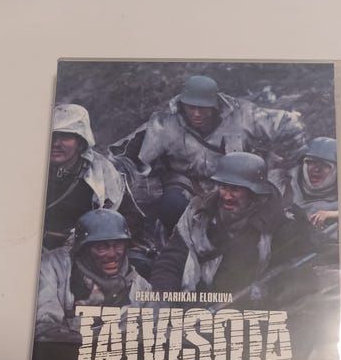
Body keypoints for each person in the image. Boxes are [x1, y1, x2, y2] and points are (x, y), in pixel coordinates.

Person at [109, 75, 306, 239]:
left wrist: (291, 160)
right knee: (171, 206)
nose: (196, 113)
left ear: (215, 104)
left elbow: (288, 124)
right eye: (191, 107)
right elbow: (123, 155)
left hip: (239, 183)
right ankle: (178, 244)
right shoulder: (164, 124)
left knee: (264, 216)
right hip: (190, 185)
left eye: (203, 107)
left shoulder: (243, 115)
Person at [150, 152, 319, 308]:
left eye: (236, 189)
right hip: (199, 301)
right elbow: (172, 259)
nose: (227, 196)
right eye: (223, 187)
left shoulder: (282, 221)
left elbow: (296, 274)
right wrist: (164, 299)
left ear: (254, 191)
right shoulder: (199, 213)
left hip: (252, 308)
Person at [35, 209, 151, 343]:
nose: (112, 254)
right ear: (83, 248)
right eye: (102, 247)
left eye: (118, 245)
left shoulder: (141, 287)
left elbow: (154, 331)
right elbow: (44, 328)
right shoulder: (53, 267)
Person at [43, 103, 143, 250]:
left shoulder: (102, 172)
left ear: (81, 142)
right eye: (52, 136)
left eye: (65, 137)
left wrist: (95, 236)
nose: (56, 144)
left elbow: (131, 218)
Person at [286, 137, 338, 240]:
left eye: (325, 165)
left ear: (336, 169)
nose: (317, 169)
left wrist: (334, 214)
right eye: (311, 162)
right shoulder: (283, 184)